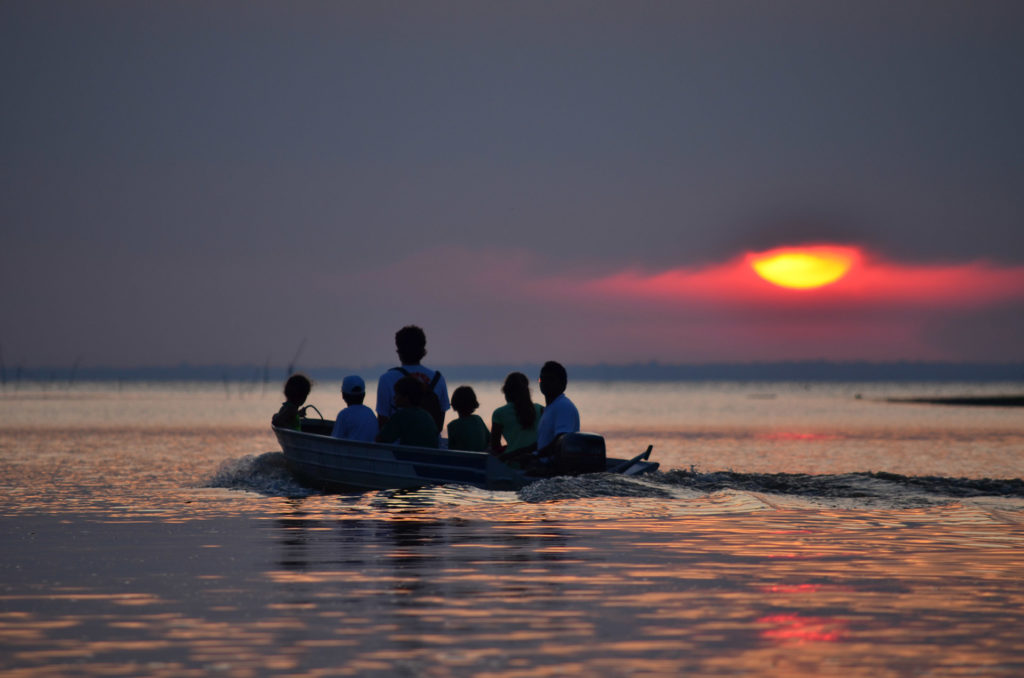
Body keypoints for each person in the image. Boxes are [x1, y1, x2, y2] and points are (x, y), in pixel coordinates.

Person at [376, 325, 449, 433]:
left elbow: (382, 422)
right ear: (423, 350)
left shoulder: (386, 379)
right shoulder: (438, 379)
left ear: (399, 351)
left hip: (397, 447)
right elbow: (439, 424)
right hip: (430, 446)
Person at [376, 376, 441, 448]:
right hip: (428, 457)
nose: (394, 397)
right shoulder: (427, 415)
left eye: (397, 394)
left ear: (406, 398)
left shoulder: (401, 416)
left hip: (410, 457)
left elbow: (381, 440)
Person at [490, 371, 544, 456]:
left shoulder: (499, 413)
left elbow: (495, 447)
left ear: (506, 391)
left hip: (511, 463)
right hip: (535, 462)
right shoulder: (541, 409)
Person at [534, 361, 580, 459]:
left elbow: (561, 442)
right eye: (542, 379)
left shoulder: (563, 406)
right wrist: (515, 454)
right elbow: (542, 443)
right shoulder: (550, 408)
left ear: (563, 383)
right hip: (542, 468)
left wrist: (536, 456)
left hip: (555, 471)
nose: (544, 383)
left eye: (550, 380)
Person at [330, 375, 378, 442]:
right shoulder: (370, 413)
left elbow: (334, 441)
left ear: (343, 395)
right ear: (364, 395)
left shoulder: (344, 415)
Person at [447, 386, 490, 451]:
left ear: (454, 403)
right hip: (481, 460)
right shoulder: (478, 419)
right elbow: (490, 441)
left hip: (463, 460)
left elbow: (451, 451)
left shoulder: (452, 426)